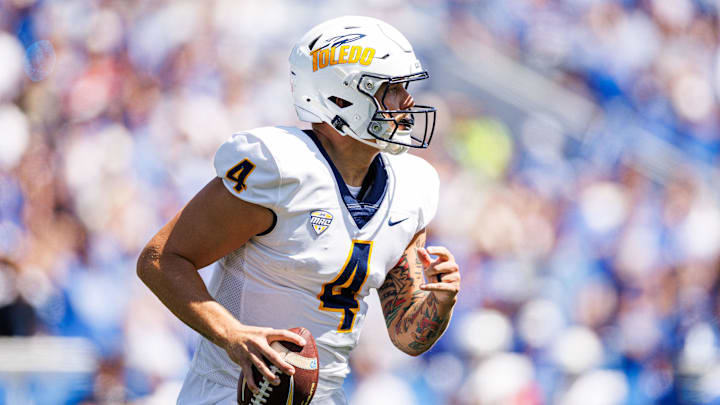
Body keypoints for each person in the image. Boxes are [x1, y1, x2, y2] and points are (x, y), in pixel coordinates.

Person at [136, 15, 461, 405]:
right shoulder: (281, 170)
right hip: (231, 393)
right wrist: (232, 334)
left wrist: (440, 302)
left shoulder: (412, 187)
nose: (407, 102)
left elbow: (408, 336)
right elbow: (161, 259)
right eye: (391, 89)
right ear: (342, 97)